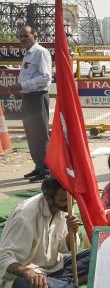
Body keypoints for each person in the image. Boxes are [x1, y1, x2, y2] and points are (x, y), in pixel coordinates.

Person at [0, 177, 90, 288]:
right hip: (25, 272)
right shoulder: (25, 216)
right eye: (64, 199)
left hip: (55, 264)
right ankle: (78, 280)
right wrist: (28, 273)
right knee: (47, 287)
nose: (72, 202)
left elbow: (66, 249)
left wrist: (72, 232)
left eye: (72, 197)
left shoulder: (66, 205)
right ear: (48, 198)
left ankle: (63, 282)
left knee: (98, 253)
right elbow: (3, 257)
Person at [11, 25, 52, 182]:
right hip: (27, 98)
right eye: (21, 36)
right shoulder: (27, 54)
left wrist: (23, 86)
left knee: (41, 134)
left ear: (35, 36)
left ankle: (47, 169)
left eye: (26, 36)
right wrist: (20, 87)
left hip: (38, 97)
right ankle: (39, 166)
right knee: (31, 133)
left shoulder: (40, 52)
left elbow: (46, 77)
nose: (22, 39)